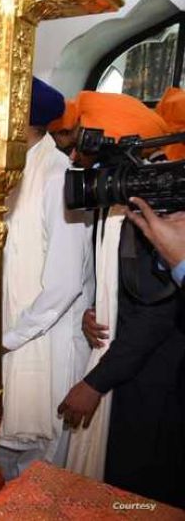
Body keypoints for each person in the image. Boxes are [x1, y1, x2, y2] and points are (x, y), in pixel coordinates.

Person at [56, 96, 184, 507]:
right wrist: (93, 311)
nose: (77, 158)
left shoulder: (158, 205)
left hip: (152, 379)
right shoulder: (116, 198)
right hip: (124, 362)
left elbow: (156, 313)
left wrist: (96, 383)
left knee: (137, 493)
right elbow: (120, 284)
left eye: (88, 147)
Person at [0, 78, 94, 479]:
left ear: (19, 120)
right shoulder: (13, 172)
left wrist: (9, 338)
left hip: (44, 342)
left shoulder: (57, 176)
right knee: (3, 461)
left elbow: (65, 281)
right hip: (10, 334)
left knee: (39, 472)